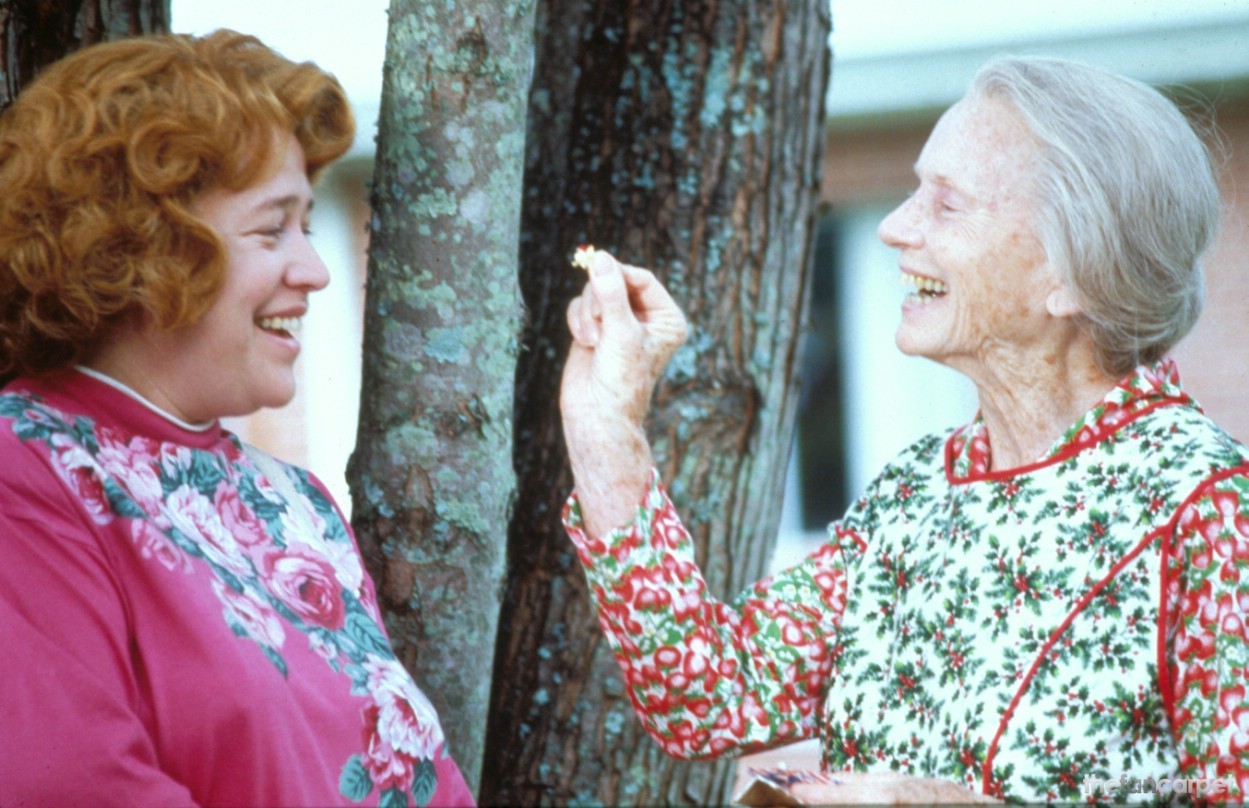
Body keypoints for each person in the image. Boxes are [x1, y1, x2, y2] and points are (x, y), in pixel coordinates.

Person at [558, 56, 1249, 803]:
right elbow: (707, 697)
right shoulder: (918, 488)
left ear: (1072, 276)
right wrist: (604, 427)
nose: (893, 227)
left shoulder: (1208, 509)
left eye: (946, 205)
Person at [0, 31, 474, 807]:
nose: (314, 271)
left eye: (308, 225)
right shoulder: (26, 470)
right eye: (270, 229)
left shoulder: (299, 505)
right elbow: (72, 783)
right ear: (145, 251)